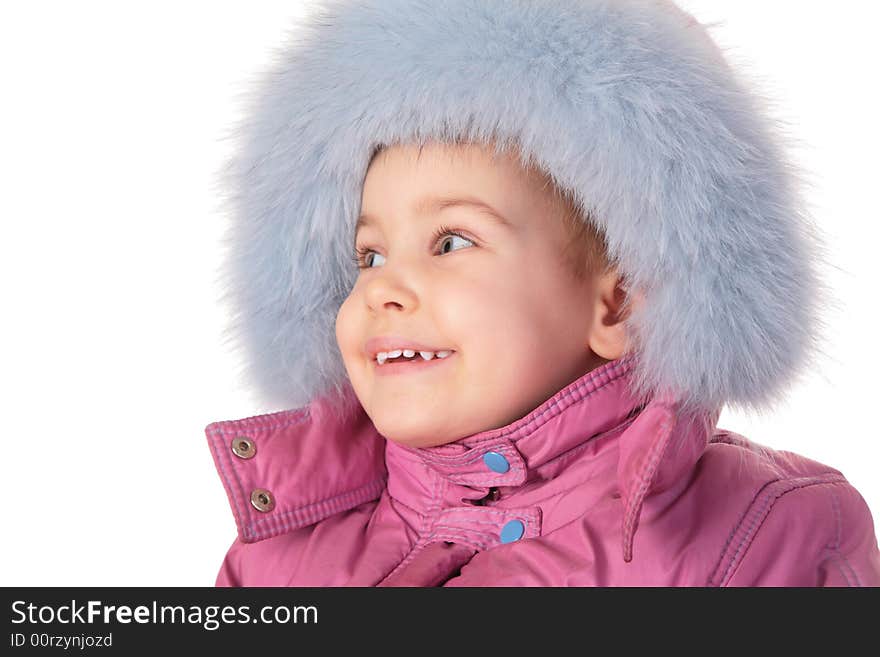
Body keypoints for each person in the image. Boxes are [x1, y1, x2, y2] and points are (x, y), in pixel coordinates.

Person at [205, 0, 880, 586]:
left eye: (451, 242)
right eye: (368, 254)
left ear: (615, 304)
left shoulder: (763, 538)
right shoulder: (277, 554)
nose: (383, 286)